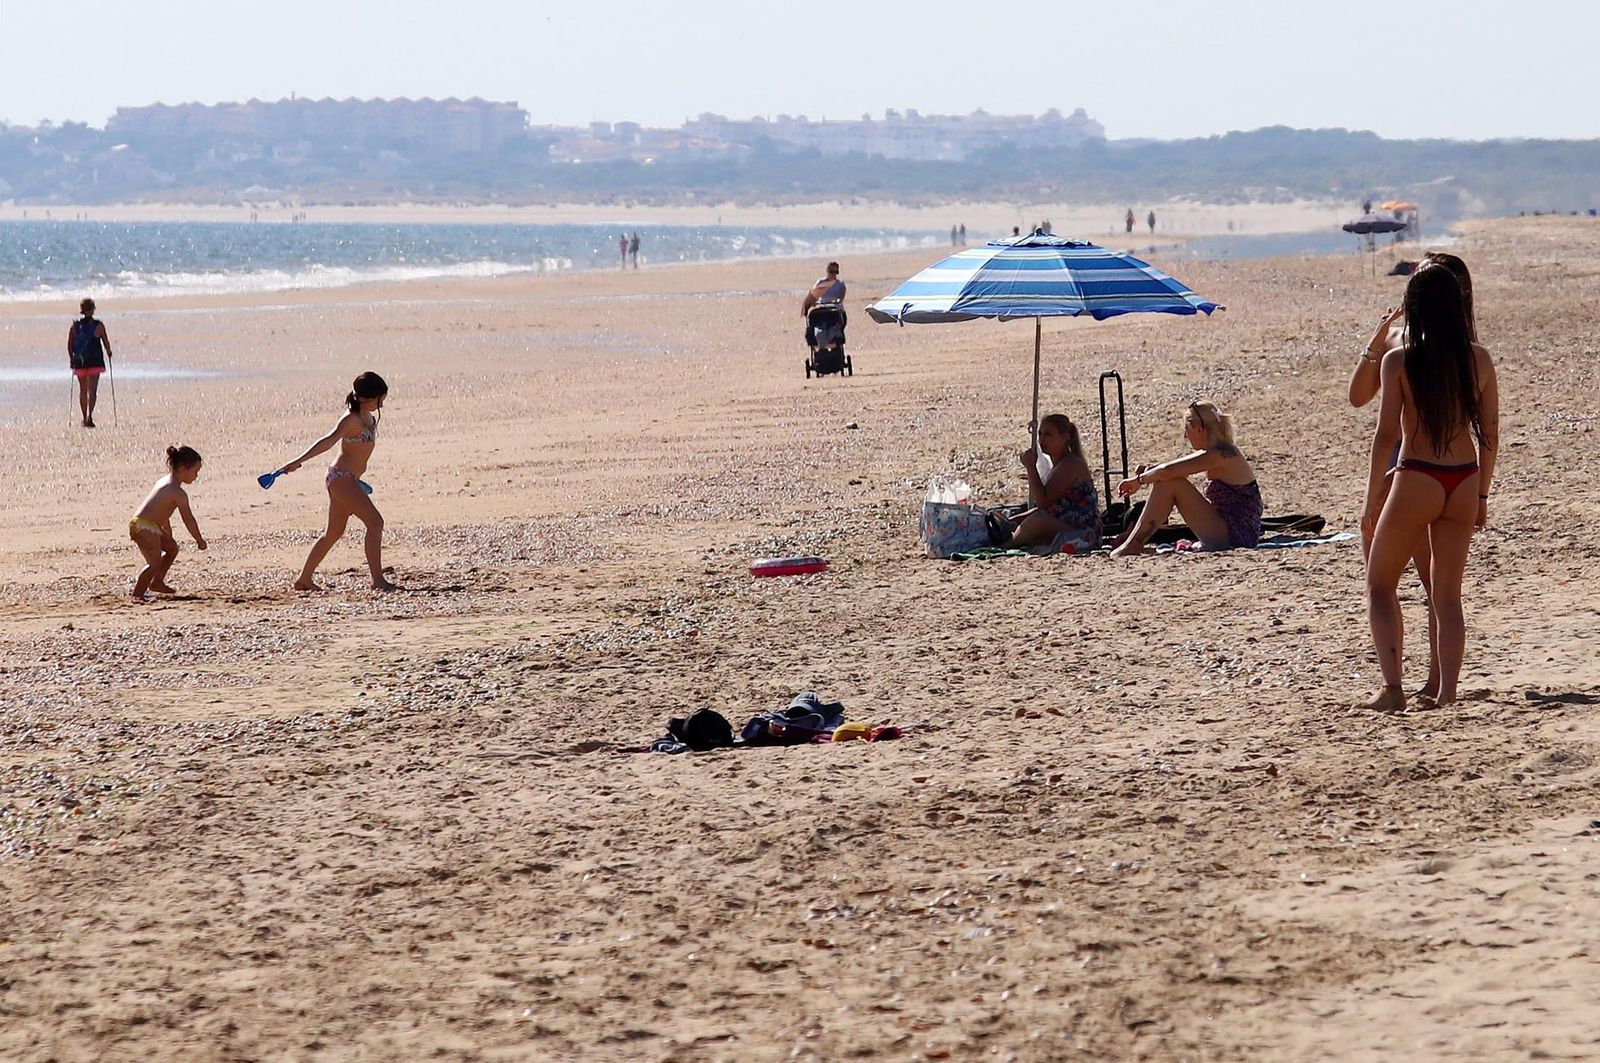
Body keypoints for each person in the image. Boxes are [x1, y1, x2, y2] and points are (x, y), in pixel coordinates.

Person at [1363, 264, 1498, 710]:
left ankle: (1393, 689)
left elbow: (1386, 434)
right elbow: (1490, 434)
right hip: (1464, 477)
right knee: (1447, 595)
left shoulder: (1400, 360)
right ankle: (1447, 694)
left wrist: (1372, 499)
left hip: (1418, 473)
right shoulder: (1479, 358)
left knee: (1380, 584)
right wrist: (1482, 495)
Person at [278, 372, 396, 592]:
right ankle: (378, 580)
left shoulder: (367, 416)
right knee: (375, 523)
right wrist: (297, 461)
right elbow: (327, 441)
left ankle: (304, 579)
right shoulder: (351, 419)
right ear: (365, 398)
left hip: (350, 480)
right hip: (341, 478)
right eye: (379, 399)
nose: (381, 404)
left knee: (333, 533)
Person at [1110, 401, 1262, 557]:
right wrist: (1149, 471)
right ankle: (1133, 543)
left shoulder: (1221, 454)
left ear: (1199, 429)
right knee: (1169, 479)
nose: (1185, 436)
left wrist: (1139, 481)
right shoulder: (1217, 451)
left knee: (1171, 482)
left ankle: (1133, 544)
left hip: (1236, 535)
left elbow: (1168, 471)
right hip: (1227, 528)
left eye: (1187, 429)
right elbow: (1175, 467)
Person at [993, 414, 1101, 552]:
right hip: (1066, 524)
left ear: (1065, 437)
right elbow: (1048, 507)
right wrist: (1013, 520)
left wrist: (1031, 467)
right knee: (1023, 518)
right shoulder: (1058, 464)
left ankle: (1005, 546)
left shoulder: (1071, 464)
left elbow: (1043, 501)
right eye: (1040, 434)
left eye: (1048, 434)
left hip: (1083, 533)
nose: (1042, 439)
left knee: (1038, 521)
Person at [128, 445, 206, 600]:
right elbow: (188, 519)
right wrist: (199, 539)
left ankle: (157, 582)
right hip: (142, 525)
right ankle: (137, 595)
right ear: (183, 469)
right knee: (154, 562)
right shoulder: (177, 492)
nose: (196, 476)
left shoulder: (165, 482)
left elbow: (160, 508)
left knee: (172, 548)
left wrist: (166, 528)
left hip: (149, 525)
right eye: (195, 472)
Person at [68, 298, 112, 427]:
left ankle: (83, 416)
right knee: (92, 390)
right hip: (95, 361)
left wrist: (72, 358)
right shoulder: (99, 325)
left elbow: (69, 345)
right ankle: (90, 417)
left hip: (80, 361)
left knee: (83, 390)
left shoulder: (75, 326)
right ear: (93, 310)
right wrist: (109, 352)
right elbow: (105, 342)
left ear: (82, 310)